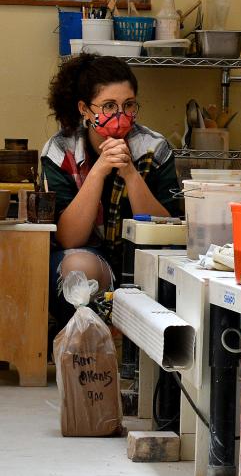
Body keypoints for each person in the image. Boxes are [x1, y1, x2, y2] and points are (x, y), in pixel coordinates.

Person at [41, 54, 181, 330]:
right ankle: (86, 337)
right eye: (108, 106)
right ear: (85, 109)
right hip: (85, 260)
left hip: (143, 261)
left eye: (128, 105)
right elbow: (69, 238)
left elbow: (165, 232)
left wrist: (130, 173)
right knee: (77, 266)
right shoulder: (60, 150)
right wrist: (98, 171)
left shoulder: (154, 147)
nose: (120, 116)